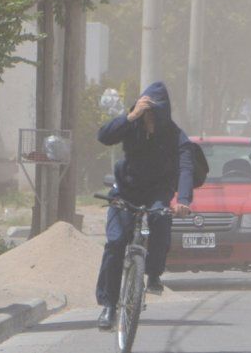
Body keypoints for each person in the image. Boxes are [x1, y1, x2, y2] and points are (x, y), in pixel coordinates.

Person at [94, 82, 195, 330]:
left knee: (161, 218)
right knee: (116, 242)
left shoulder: (175, 135)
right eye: (146, 111)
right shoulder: (132, 125)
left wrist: (183, 200)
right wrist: (130, 117)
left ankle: (153, 274)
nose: (149, 118)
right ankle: (108, 305)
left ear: (163, 113)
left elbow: (185, 167)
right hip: (126, 189)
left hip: (157, 191)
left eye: (154, 113)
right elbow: (104, 136)